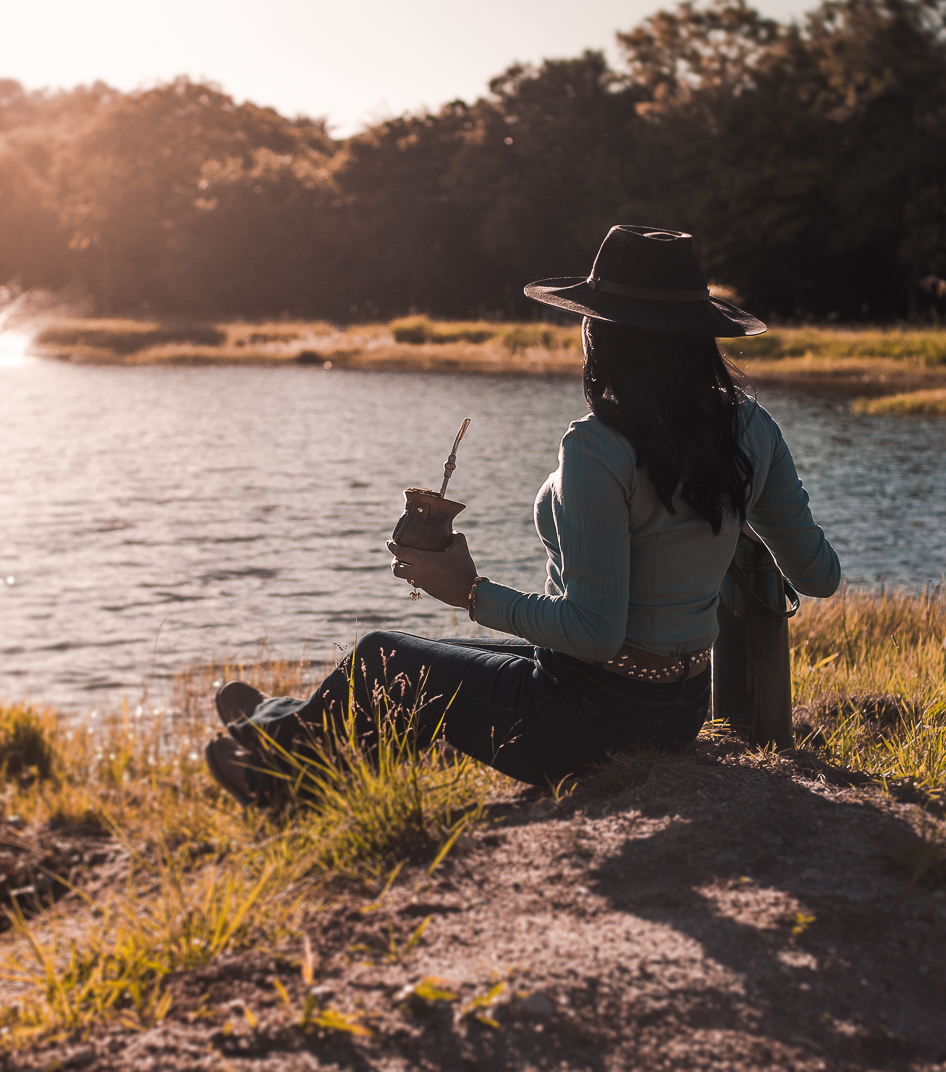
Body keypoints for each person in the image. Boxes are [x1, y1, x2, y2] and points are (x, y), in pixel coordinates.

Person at [205, 225, 840, 807]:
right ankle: (285, 730)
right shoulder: (751, 430)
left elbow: (595, 633)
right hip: (679, 708)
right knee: (423, 658)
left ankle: (272, 773)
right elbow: (819, 575)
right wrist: (718, 516)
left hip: (582, 722)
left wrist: (470, 592)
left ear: (601, 334)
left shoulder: (597, 447)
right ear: (700, 336)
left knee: (380, 656)